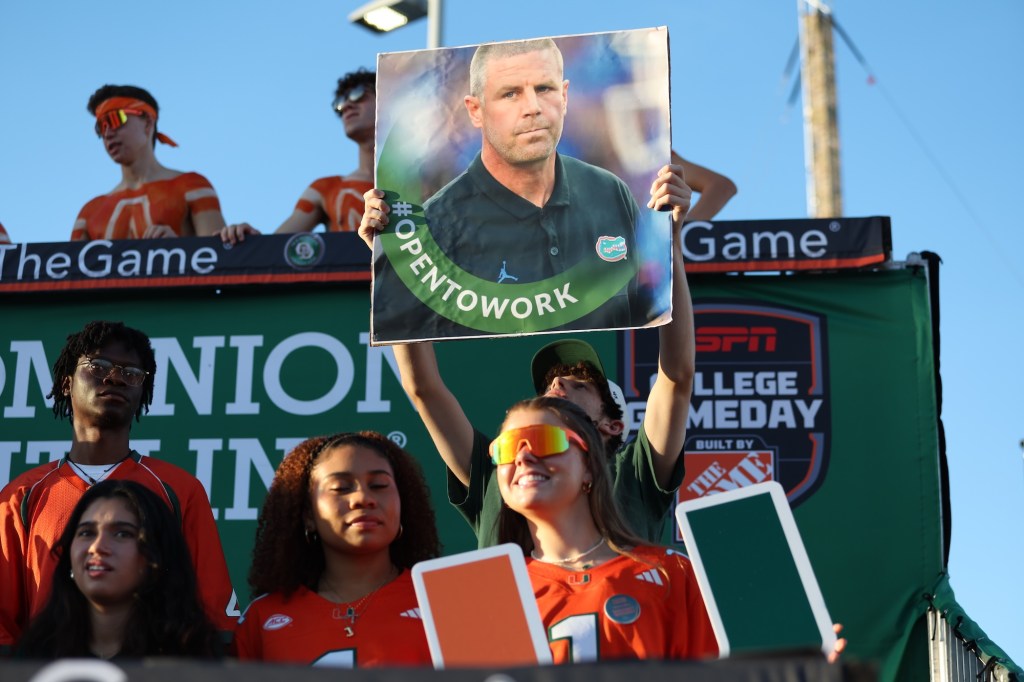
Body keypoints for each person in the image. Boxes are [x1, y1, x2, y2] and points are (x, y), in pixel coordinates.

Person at [360, 157, 694, 547]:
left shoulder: (634, 475)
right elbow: (423, 389)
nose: (558, 384)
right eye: (552, 383)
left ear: (612, 426)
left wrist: (666, 243)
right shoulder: (497, 474)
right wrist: (398, 262)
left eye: (580, 385)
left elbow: (677, 376)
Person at [0, 321, 236, 654]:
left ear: (143, 391)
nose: (114, 378)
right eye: (98, 366)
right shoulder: (20, 496)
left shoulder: (179, 489)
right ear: (66, 384)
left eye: (132, 372)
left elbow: (214, 616)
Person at [493, 396, 718, 663]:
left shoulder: (673, 574)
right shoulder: (489, 596)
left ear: (588, 466)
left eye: (544, 441)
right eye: (505, 449)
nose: (523, 457)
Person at [235, 431, 440, 667]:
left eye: (379, 485)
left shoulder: (441, 602)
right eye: (341, 488)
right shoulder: (261, 618)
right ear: (308, 515)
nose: (363, 498)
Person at [16, 480, 221, 659]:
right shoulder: (36, 657)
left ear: (156, 554)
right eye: (86, 533)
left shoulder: (193, 659)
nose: (97, 547)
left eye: (122, 534)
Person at [218, 70, 375, 246]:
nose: (346, 105)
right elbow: (275, 247)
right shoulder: (326, 189)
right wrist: (248, 239)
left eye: (358, 94)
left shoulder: (412, 181)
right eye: (339, 102)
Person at [71, 85, 226, 241]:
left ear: (148, 123)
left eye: (115, 119)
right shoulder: (89, 213)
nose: (107, 133)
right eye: (100, 127)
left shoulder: (193, 187)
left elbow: (220, 258)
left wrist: (179, 251)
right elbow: (72, 264)